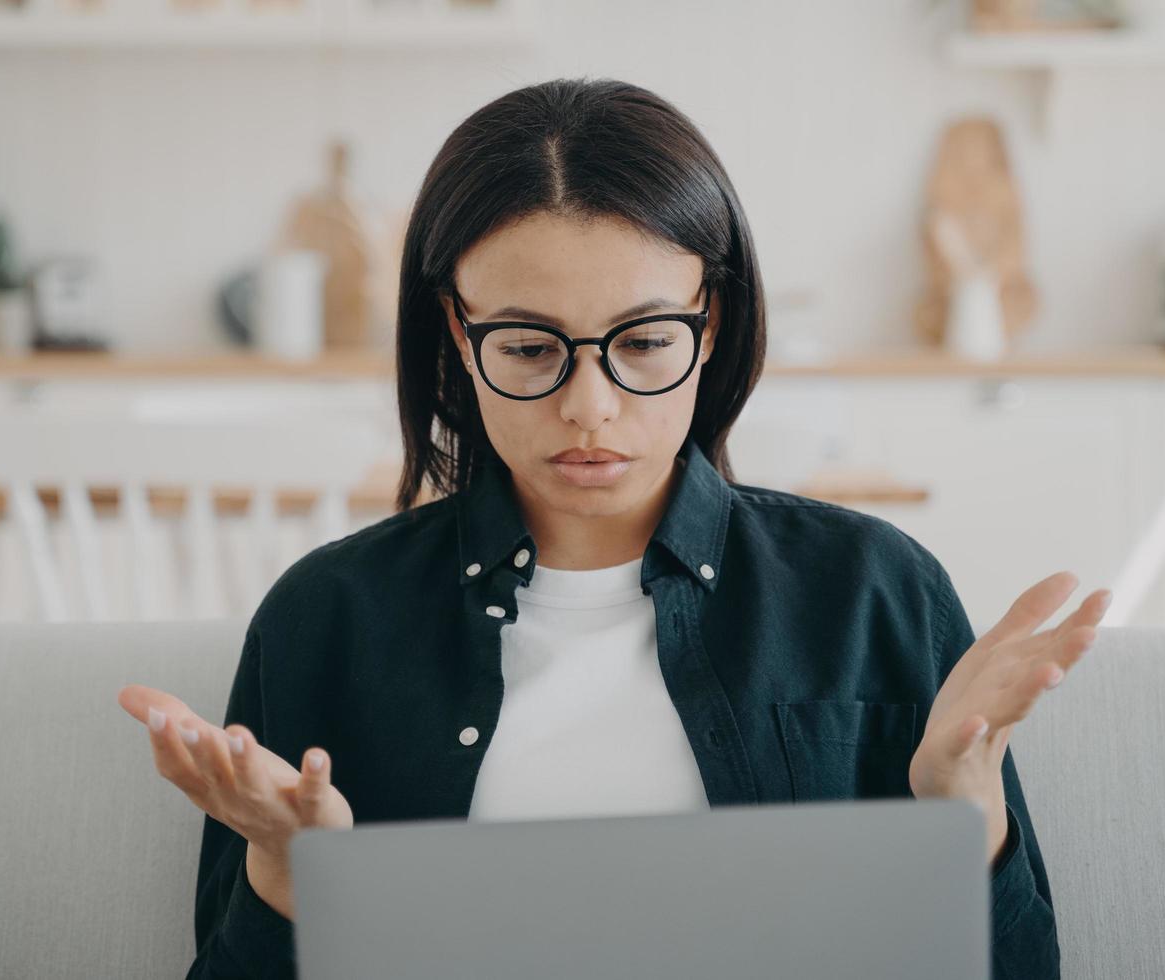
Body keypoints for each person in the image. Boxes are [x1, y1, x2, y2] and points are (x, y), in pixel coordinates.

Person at [118, 77, 1108, 980]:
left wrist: (965, 813)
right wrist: (294, 879)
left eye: (641, 341)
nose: (589, 404)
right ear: (459, 337)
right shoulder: (327, 618)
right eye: (527, 344)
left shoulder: (870, 590)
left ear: (710, 323)